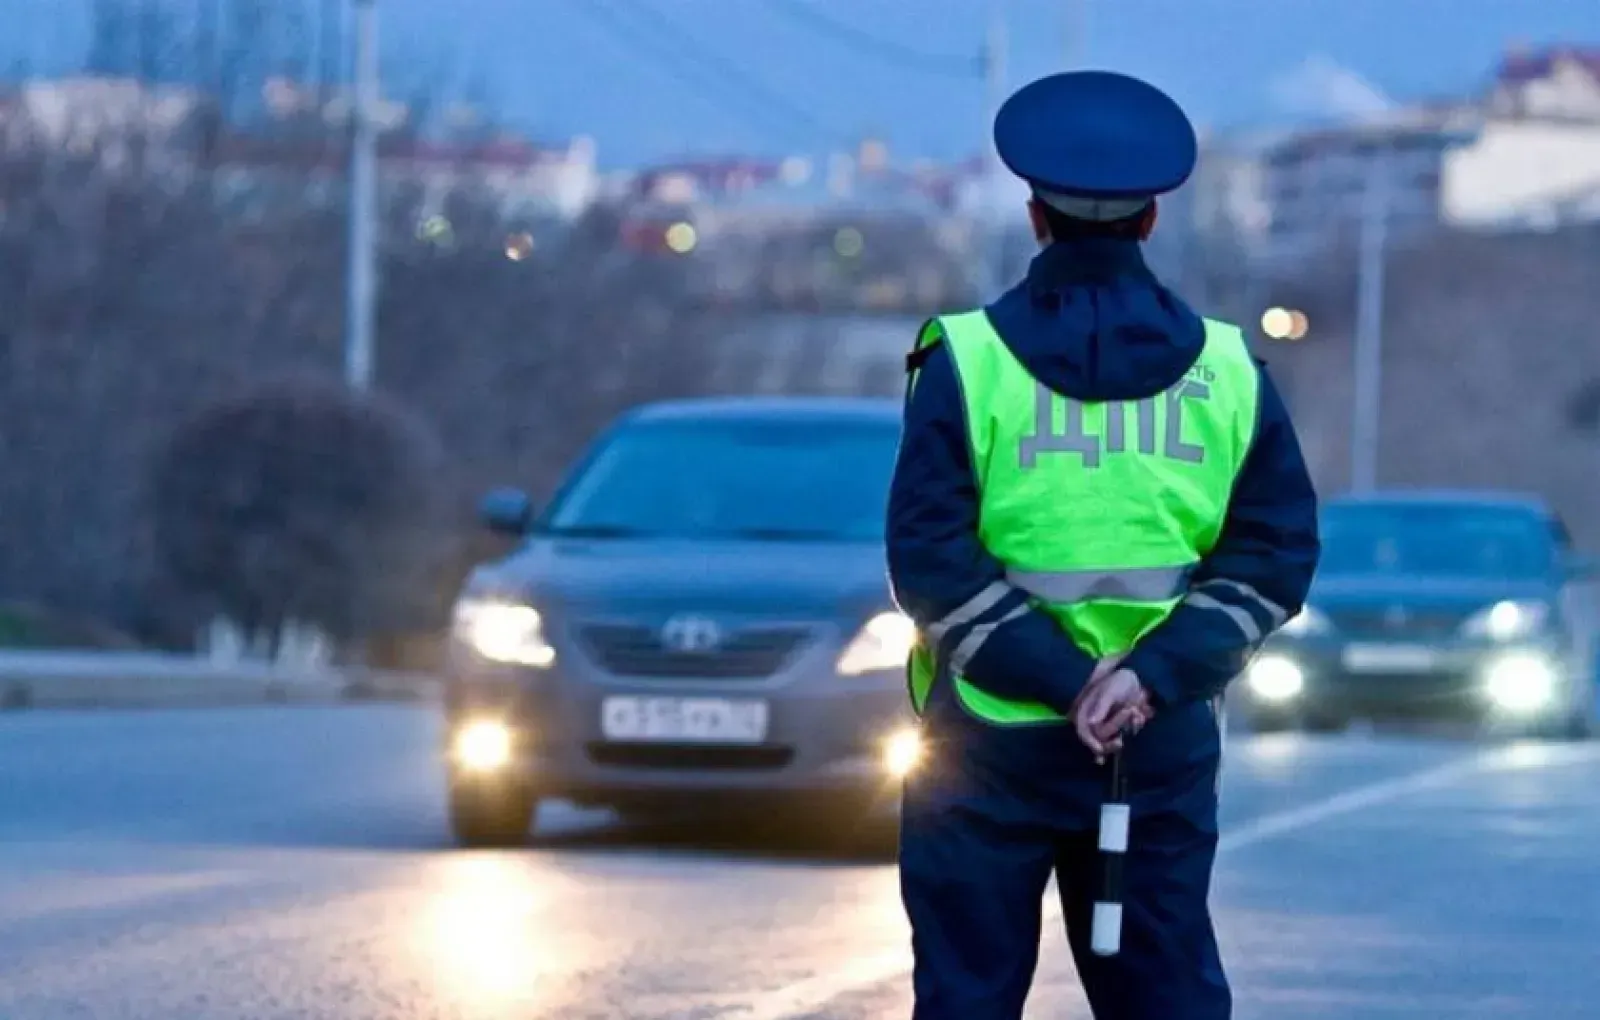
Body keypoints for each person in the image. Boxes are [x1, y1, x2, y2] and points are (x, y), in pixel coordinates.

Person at [886, 70, 1321, 1020]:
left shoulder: (965, 358)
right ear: (1152, 222)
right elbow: (1274, 555)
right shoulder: (1229, 368)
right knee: (1163, 999)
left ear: (1035, 216)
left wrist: (1059, 678)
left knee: (965, 998)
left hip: (984, 746)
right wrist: (1145, 679)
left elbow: (928, 560)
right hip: (1153, 744)